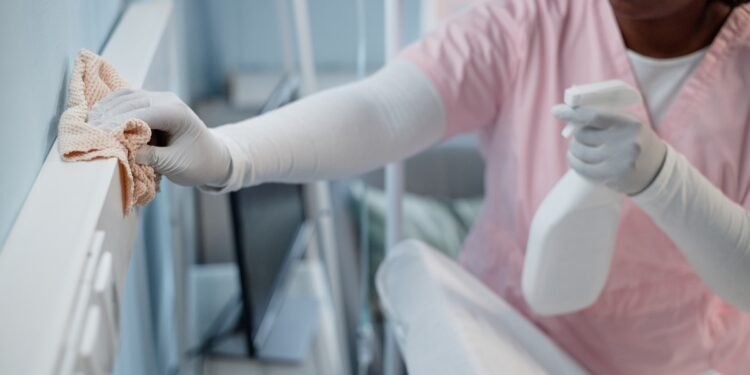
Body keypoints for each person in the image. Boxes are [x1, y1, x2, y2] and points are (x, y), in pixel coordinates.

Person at [89, 0, 750, 373]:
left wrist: (665, 181)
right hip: (503, 345)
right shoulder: (533, 19)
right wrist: (230, 153)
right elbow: (382, 110)